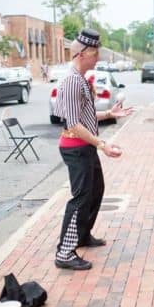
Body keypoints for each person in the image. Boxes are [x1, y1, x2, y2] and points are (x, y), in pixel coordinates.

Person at [52, 29, 133, 270]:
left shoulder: (79, 79)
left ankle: (82, 235)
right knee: (80, 198)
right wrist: (102, 144)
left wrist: (109, 113)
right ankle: (65, 252)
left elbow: (83, 116)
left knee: (96, 189)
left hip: (85, 146)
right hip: (76, 148)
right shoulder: (70, 81)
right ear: (82, 53)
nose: (98, 58)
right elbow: (73, 124)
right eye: (95, 54)